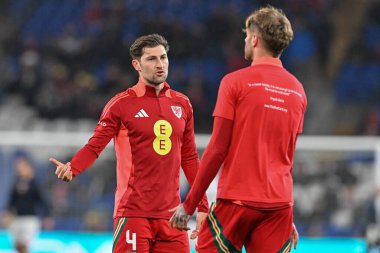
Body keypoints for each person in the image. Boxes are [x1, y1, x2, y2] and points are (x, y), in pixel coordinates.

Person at [49, 33, 208, 253]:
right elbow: (95, 146)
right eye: (151, 59)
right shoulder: (121, 104)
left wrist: (202, 206)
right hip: (133, 213)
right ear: (137, 64)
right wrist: (73, 168)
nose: (160, 64)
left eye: (163, 57)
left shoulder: (183, 104)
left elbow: (190, 158)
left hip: (173, 216)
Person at [169, 6, 307, 253]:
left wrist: (188, 205)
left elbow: (217, 149)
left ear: (254, 39)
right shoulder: (298, 90)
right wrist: (286, 215)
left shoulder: (234, 82)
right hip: (278, 206)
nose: (244, 40)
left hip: (237, 202)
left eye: (246, 35)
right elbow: (286, 156)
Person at [4, 155, 51, 253]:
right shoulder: (16, 183)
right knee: (17, 246)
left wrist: (47, 216)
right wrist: (7, 212)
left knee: (24, 245)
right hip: (16, 219)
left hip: (30, 219)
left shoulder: (36, 184)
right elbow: (11, 201)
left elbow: (43, 201)